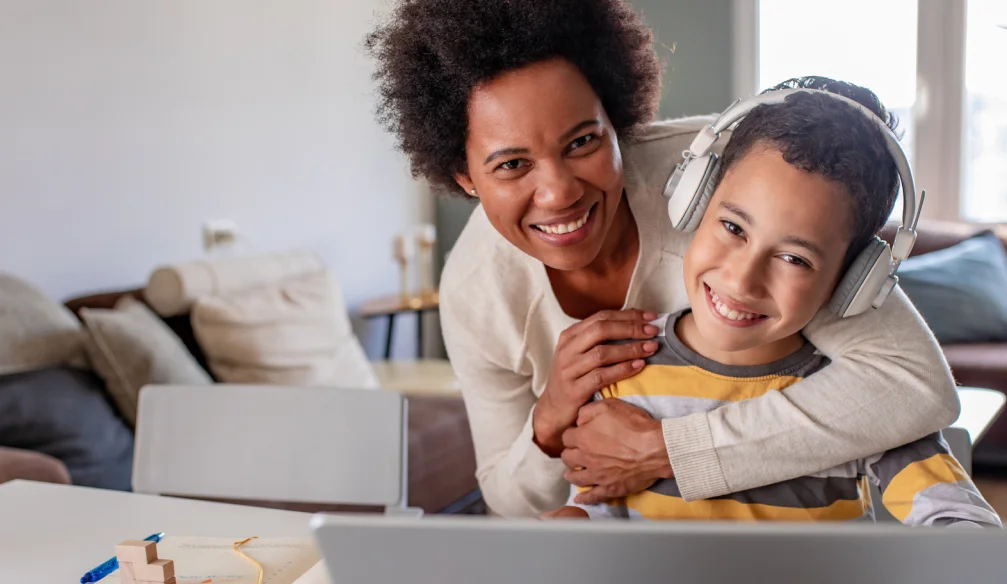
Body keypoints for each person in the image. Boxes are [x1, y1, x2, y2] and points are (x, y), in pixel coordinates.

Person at [367, 0, 960, 518]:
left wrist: (668, 451)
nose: (560, 193)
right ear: (464, 176)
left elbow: (912, 384)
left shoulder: (735, 189)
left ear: (619, 123)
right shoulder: (478, 292)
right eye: (511, 165)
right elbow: (512, 503)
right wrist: (548, 421)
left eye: (583, 142)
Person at [544, 78, 1000, 527]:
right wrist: (573, 522)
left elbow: (959, 519)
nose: (743, 279)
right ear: (695, 204)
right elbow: (598, 504)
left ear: (851, 282)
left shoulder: (861, 407)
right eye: (734, 228)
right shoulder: (624, 372)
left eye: (793, 258)